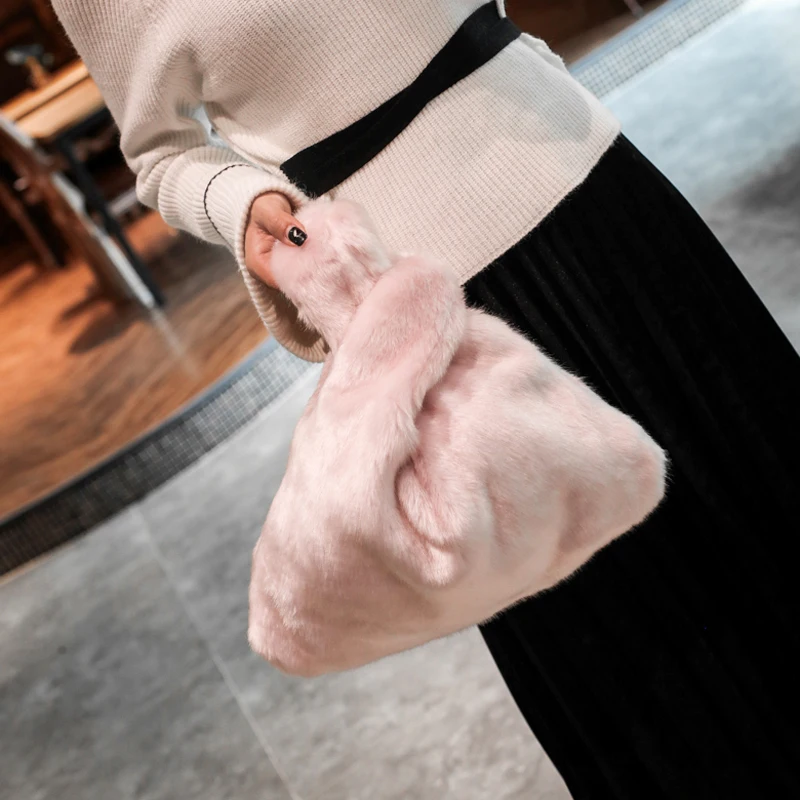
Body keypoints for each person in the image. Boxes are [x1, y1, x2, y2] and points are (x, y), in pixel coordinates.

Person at [52, 1, 800, 797]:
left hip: (585, 177)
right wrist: (243, 207)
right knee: (639, 648)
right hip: (436, 306)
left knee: (763, 480)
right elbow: (161, 155)